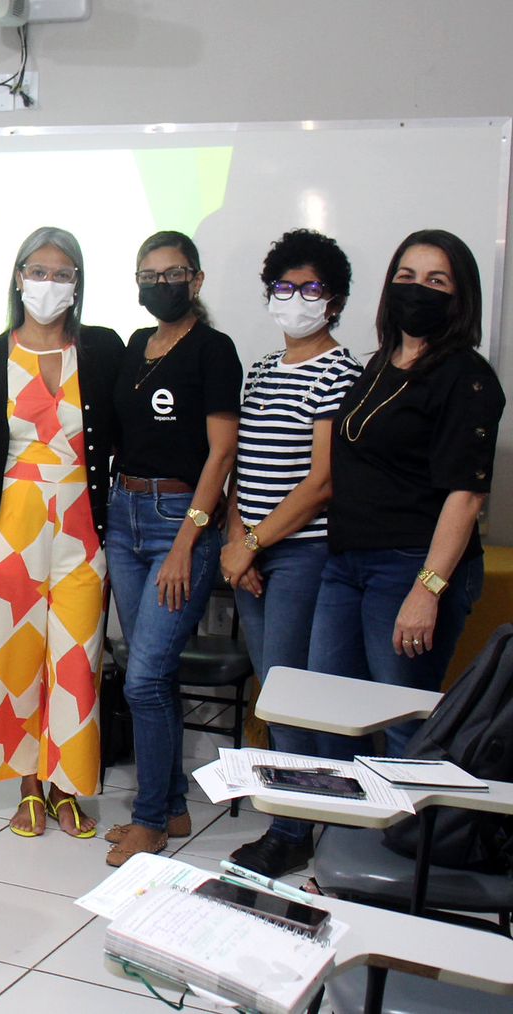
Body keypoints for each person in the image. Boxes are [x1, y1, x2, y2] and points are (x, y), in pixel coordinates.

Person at [0, 227, 124, 840]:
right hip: (13, 528)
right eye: (38, 270)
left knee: (77, 661)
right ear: (18, 277)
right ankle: (28, 789)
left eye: (62, 273)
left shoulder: (101, 350)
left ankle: (67, 789)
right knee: (13, 661)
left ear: (78, 285)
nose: (49, 283)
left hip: (84, 531)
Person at [307, 229, 503, 755]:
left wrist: (427, 589)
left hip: (411, 566)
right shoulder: (378, 365)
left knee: (401, 721)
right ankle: (324, 833)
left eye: (436, 280)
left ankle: (399, 837)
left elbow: (466, 496)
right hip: (347, 562)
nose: (418, 290)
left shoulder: (468, 378)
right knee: (326, 707)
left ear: (460, 297)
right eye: (406, 277)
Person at [219, 230, 362, 877]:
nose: (294, 299)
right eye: (283, 287)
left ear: (332, 301)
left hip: (304, 555)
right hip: (251, 555)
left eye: (309, 289)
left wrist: (252, 542)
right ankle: (295, 816)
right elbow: (240, 468)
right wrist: (235, 543)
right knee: (273, 691)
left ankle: (295, 827)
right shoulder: (258, 370)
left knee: (288, 693)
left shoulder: (342, 371)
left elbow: (322, 482)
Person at [103, 231, 241, 866]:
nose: (162, 283)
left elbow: (222, 453)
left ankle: (150, 820)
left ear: (198, 279)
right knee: (148, 674)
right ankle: (176, 802)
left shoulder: (214, 349)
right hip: (124, 514)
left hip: (176, 522)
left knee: (145, 676)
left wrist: (189, 538)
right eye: (150, 274)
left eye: (174, 272)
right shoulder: (137, 345)